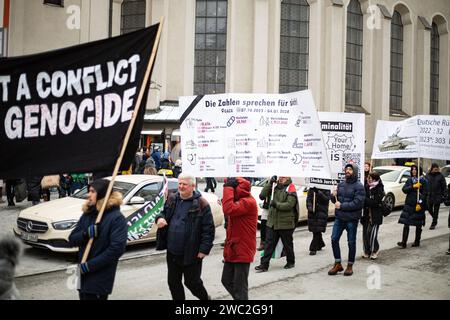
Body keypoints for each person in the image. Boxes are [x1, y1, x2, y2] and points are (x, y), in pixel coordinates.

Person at [155, 173, 214, 300]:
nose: (181, 187)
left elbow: (208, 230)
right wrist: (159, 218)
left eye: (184, 184)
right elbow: (163, 213)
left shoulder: (201, 204)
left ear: (193, 186)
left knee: (192, 283)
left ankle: (205, 299)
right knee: (173, 283)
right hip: (172, 251)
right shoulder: (172, 199)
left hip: (191, 253)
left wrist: (204, 250)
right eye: (179, 183)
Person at [68, 179, 128, 300]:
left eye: (92, 191)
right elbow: (72, 239)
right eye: (88, 191)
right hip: (83, 275)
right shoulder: (88, 214)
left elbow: (116, 249)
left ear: (101, 194)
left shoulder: (116, 218)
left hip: (99, 278)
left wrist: (89, 266)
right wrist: (85, 234)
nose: (88, 194)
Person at [221, 177, 258, 300]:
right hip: (233, 248)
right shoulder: (240, 200)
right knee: (226, 280)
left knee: (240, 287)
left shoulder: (248, 202)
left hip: (242, 248)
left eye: (232, 188)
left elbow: (228, 209)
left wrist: (228, 189)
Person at [255, 176, 298, 272]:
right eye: (280, 176)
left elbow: (290, 204)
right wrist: (270, 183)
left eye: (283, 176)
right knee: (269, 244)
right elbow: (262, 195)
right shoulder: (274, 186)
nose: (281, 177)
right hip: (272, 222)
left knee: (287, 244)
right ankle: (264, 265)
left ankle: (291, 261)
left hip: (285, 222)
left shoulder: (290, 187)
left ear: (288, 177)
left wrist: (276, 204)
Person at [328, 164, 365, 276]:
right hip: (339, 218)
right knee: (334, 239)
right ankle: (338, 263)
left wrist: (342, 206)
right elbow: (336, 201)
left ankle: (350, 265)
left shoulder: (359, 186)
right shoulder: (341, 184)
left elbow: (358, 204)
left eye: (350, 169)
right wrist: (332, 195)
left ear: (355, 171)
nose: (347, 171)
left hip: (351, 219)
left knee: (351, 242)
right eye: (346, 169)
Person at [397, 164, 428, 248]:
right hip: (409, 205)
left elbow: (425, 194)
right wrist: (413, 186)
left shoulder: (423, 180)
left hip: (418, 205)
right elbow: (404, 189)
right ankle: (404, 242)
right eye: (412, 169)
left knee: (418, 224)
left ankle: (417, 241)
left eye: (415, 169)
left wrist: (420, 203)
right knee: (406, 223)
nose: (414, 171)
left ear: (419, 170)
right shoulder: (410, 180)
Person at [362, 171, 385, 260]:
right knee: (365, 234)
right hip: (366, 215)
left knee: (371, 233)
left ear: (375, 179)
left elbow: (375, 203)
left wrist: (365, 199)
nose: (368, 179)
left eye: (370, 178)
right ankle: (367, 251)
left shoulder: (379, 189)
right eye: (368, 178)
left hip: (375, 215)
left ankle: (375, 250)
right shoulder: (366, 187)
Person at [306, 187, 330, 255]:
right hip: (313, 213)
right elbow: (308, 199)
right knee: (315, 230)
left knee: (317, 230)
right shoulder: (311, 189)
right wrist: (310, 207)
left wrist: (318, 192)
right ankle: (320, 243)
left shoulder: (326, 189)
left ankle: (313, 248)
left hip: (321, 213)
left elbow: (326, 199)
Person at [426, 163, 447, 229]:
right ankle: (435, 217)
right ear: (432, 168)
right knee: (429, 208)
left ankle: (434, 223)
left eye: (437, 168)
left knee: (436, 210)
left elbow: (444, 186)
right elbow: (425, 184)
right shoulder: (427, 175)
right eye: (435, 168)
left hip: (438, 195)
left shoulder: (440, 176)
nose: (436, 169)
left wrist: (444, 195)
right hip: (429, 195)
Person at [258, 179, 271, 251]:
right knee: (263, 225)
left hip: (276, 207)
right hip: (267, 207)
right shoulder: (268, 182)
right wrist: (270, 184)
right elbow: (262, 196)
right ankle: (263, 243)